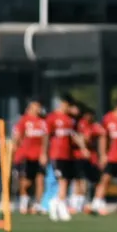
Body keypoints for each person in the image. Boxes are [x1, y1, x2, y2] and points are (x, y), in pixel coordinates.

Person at [45, 94, 88, 222]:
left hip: (68, 155)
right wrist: (44, 153)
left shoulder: (71, 120)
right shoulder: (52, 118)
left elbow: (74, 135)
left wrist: (83, 148)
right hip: (57, 154)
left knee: (67, 181)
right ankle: (62, 207)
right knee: (63, 181)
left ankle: (55, 202)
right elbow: (46, 136)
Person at [11, 99, 49, 215]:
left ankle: (38, 205)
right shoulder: (24, 121)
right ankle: (24, 202)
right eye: (35, 107)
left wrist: (44, 153)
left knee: (40, 179)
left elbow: (45, 138)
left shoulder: (43, 122)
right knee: (25, 182)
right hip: (25, 156)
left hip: (38, 156)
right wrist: (14, 152)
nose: (38, 109)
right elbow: (17, 137)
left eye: (39, 107)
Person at [75, 106, 105, 214]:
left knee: (96, 180)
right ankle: (79, 204)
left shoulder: (94, 126)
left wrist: (102, 155)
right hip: (79, 157)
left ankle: (93, 203)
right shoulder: (80, 124)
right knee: (80, 180)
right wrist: (83, 146)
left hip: (92, 158)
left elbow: (102, 133)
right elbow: (81, 137)